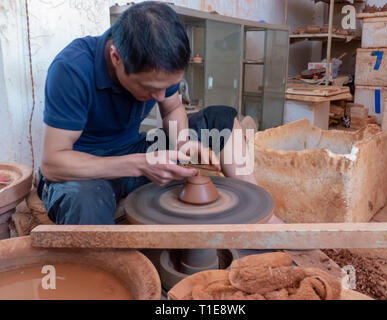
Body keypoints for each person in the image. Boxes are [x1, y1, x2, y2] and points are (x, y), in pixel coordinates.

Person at [38, 1, 282, 225]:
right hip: (85, 171)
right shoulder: (72, 69)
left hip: (133, 152)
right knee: (85, 202)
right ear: (116, 57)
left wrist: (183, 142)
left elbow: (173, 107)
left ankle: (262, 217)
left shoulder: (161, 62)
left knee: (221, 120)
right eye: (150, 88)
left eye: (168, 86)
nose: (160, 96)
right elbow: (53, 163)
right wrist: (139, 165)